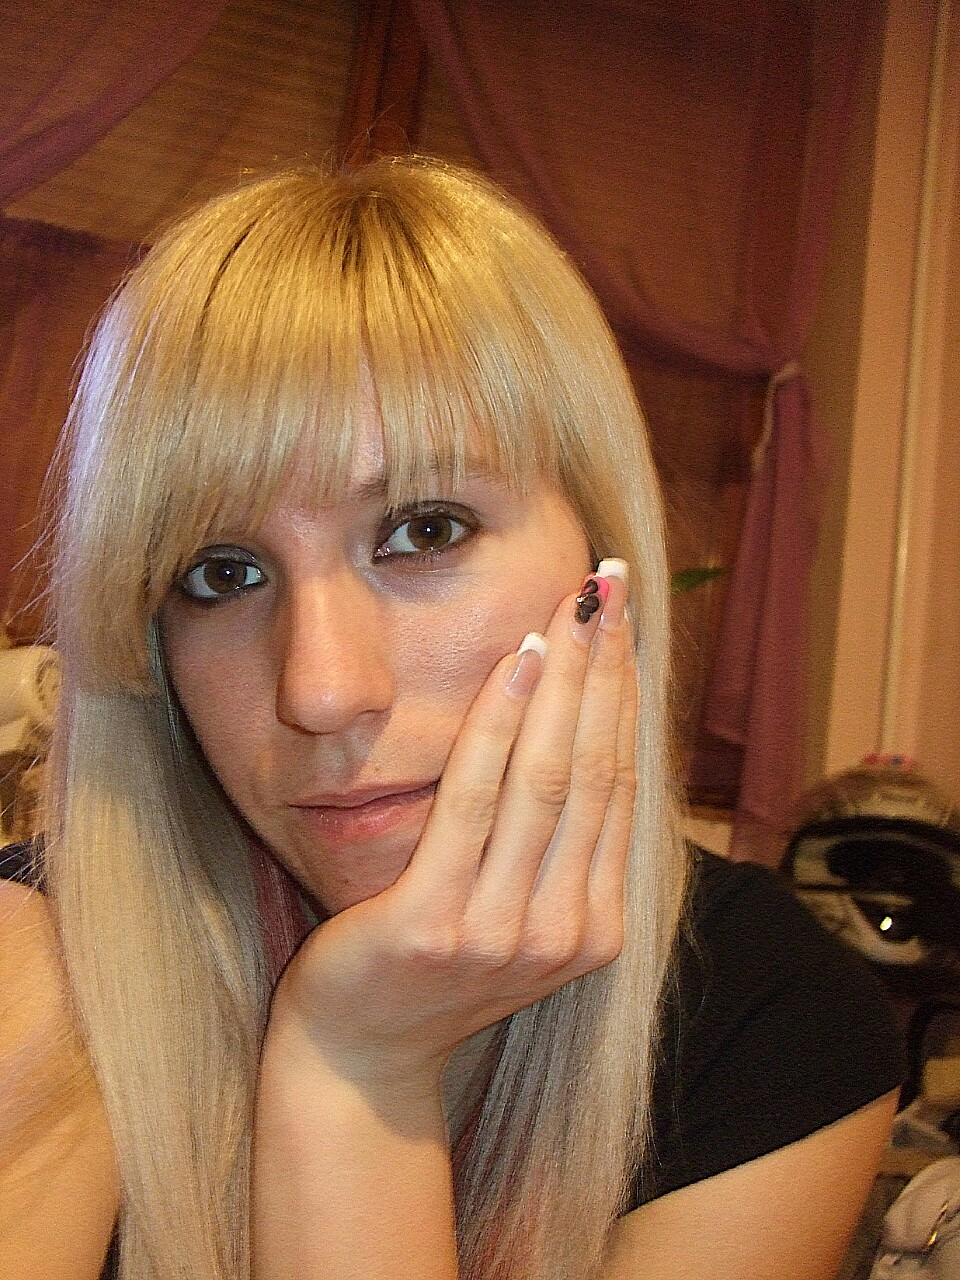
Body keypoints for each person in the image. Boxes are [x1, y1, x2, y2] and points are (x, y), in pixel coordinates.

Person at [0, 156, 901, 1280]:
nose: (321, 689)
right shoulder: (30, 969)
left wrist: (356, 1067)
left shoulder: (774, 1013)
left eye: (423, 530)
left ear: (600, 558)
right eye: (221, 573)